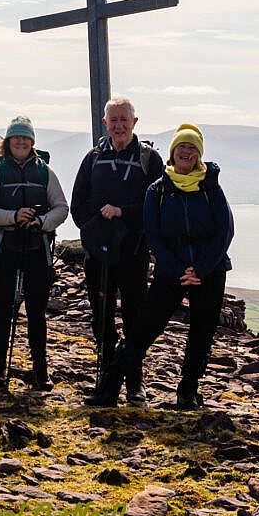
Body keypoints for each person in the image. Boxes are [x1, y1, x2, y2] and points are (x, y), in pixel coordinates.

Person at [85, 123, 233, 409]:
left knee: (201, 334)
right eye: (181, 146)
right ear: (172, 152)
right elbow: (153, 234)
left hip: (209, 271)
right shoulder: (159, 189)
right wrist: (179, 269)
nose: (186, 152)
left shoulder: (211, 186)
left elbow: (225, 231)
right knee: (142, 330)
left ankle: (188, 391)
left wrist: (199, 269)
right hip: (171, 270)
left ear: (199, 154)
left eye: (192, 147)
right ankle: (110, 388)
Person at [71, 97, 164, 403]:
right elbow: (78, 204)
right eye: (114, 120)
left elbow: (156, 207)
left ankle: (135, 381)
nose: (119, 125)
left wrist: (123, 213)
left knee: (135, 318)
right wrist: (93, 231)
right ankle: (107, 380)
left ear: (135, 122)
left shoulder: (149, 159)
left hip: (133, 252)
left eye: (124, 119)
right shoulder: (93, 158)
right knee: (101, 317)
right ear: (105, 123)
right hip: (98, 255)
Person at [0, 116, 69, 391]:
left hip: (36, 249)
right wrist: (14, 216)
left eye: (25, 138)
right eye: (16, 137)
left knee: (36, 312)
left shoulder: (45, 173)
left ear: (32, 142)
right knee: (2, 310)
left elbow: (61, 208)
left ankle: (41, 371)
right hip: (6, 248)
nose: (21, 141)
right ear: (7, 142)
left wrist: (41, 222)